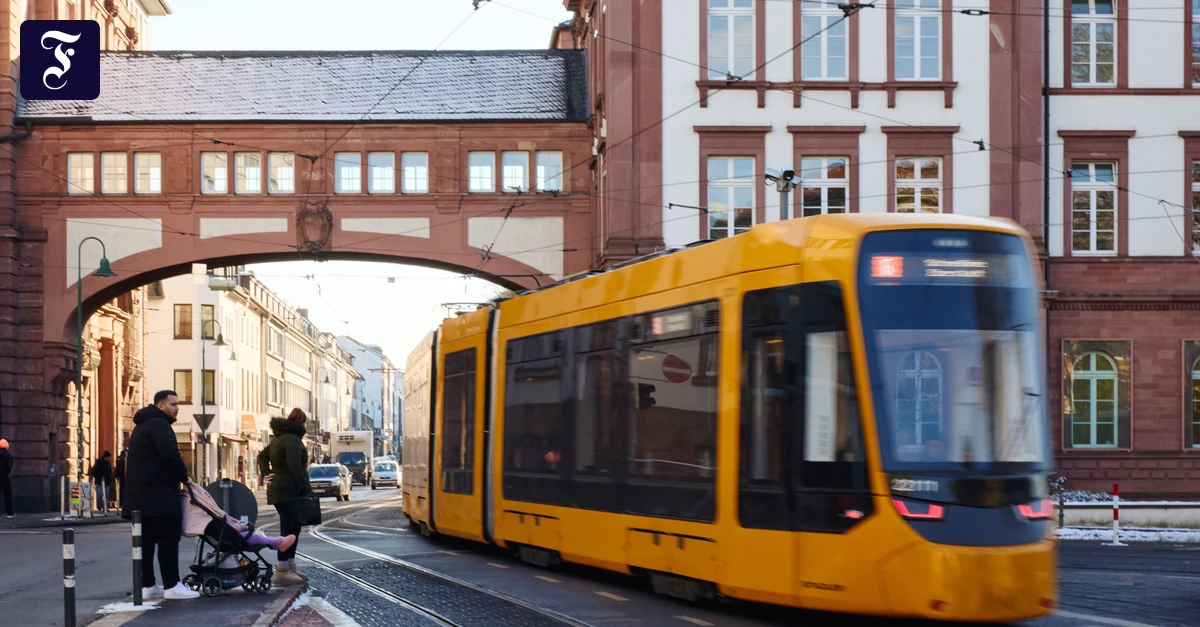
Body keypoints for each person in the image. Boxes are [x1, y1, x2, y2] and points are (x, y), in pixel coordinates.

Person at [122, 390, 201, 600]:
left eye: (178, 404)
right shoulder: (159, 425)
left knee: (146, 542)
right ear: (160, 406)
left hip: (140, 497)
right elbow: (170, 456)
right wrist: (186, 478)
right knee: (168, 538)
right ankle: (172, 585)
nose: (177, 408)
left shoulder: (142, 426)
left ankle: (147, 585)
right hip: (160, 495)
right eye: (173, 404)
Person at [257, 408, 311, 586]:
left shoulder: (279, 438)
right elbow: (296, 467)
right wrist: (306, 486)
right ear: (301, 423)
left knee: (291, 528)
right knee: (289, 530)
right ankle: (282, 570)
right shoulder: (293, 440)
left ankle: (289, 567)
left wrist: (267, 472)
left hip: (280, 489)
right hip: (289, 490)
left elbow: (262, 456)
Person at [181, 480, 296, 551]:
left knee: (252, 536)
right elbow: (233, 528)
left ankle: (277, 543)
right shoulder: (215, 518)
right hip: (231, 538)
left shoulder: (207, 520)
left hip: (224, 536)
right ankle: (279, 542)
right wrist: (242, 526)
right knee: (254, 537)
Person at [0, 439, 13, 518]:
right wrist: (6, 472)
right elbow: (9, 466)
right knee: (7, 495)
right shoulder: (9, 455)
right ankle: (9, 513)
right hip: (4, 477)